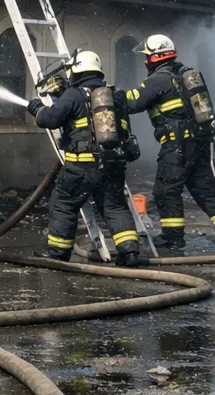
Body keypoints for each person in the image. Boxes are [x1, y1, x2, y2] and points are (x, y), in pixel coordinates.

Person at [26, 50, 140, 266]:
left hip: (82, 166)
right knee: (115, 206)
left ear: (76, 71)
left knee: (63, 203)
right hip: (113, 163)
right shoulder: (115, 95)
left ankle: (58, 254)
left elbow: (49, 119)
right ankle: (130, 253)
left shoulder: (74, 95)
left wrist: (37, 108)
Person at [120, 34, 215, 254]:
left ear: (156, 57)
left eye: (147, 57)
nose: (145, 61)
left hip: (177, 146)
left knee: (166, 191)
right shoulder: (184, 74)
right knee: (205, 191)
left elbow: (133, 102)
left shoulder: (159, 79)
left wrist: (106, 96)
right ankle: (173, 237)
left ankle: (172, 239)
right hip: (198, 143)